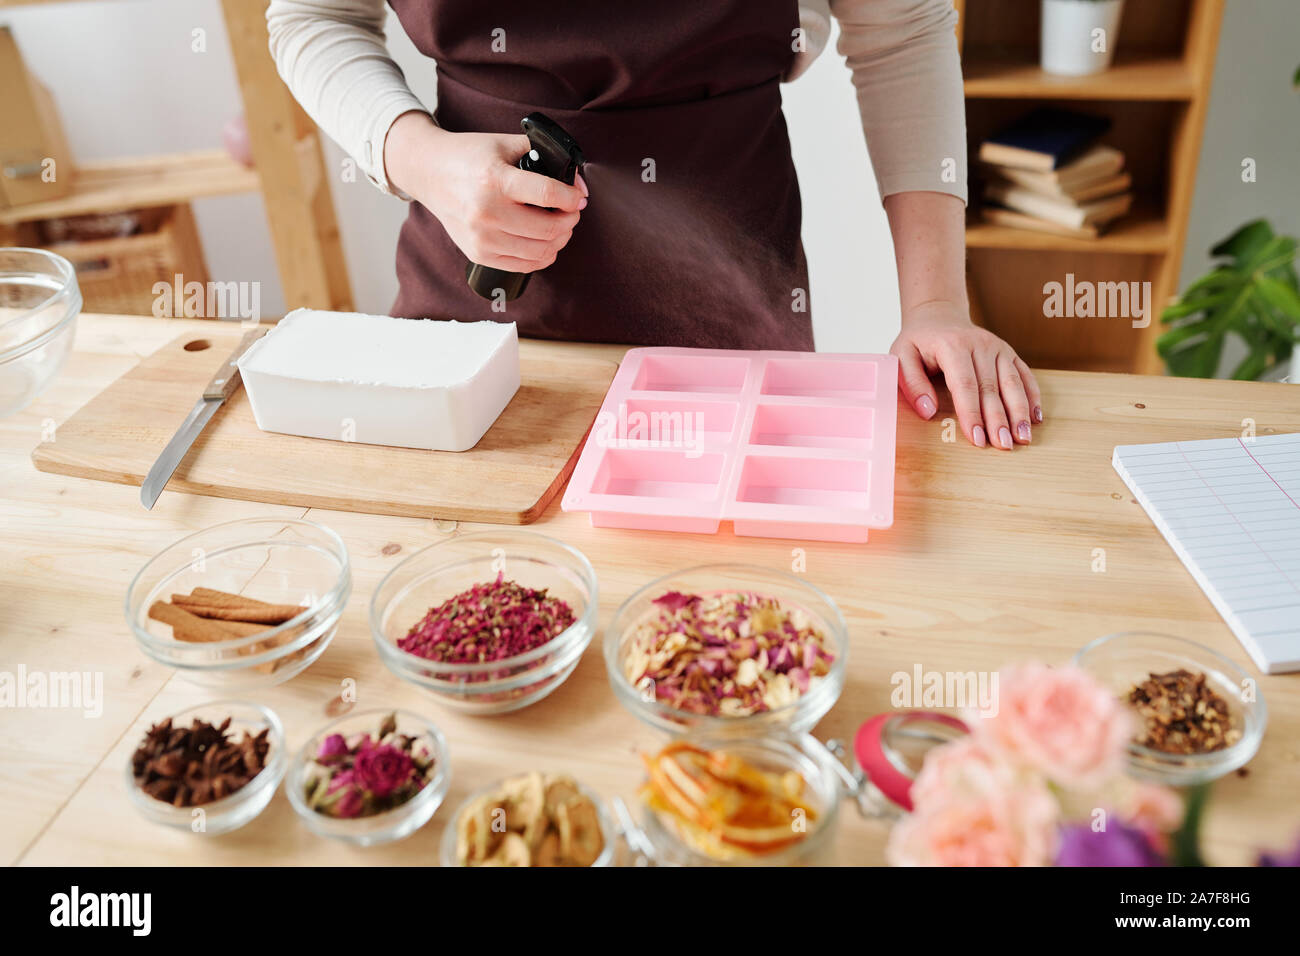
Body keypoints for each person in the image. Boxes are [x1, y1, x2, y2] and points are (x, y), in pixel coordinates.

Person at [267, 0, 1043, 449]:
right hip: (472, 319)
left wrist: (936, 304)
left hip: (734, 317)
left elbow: (902, 33)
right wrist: (424, 159)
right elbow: (313, 14)